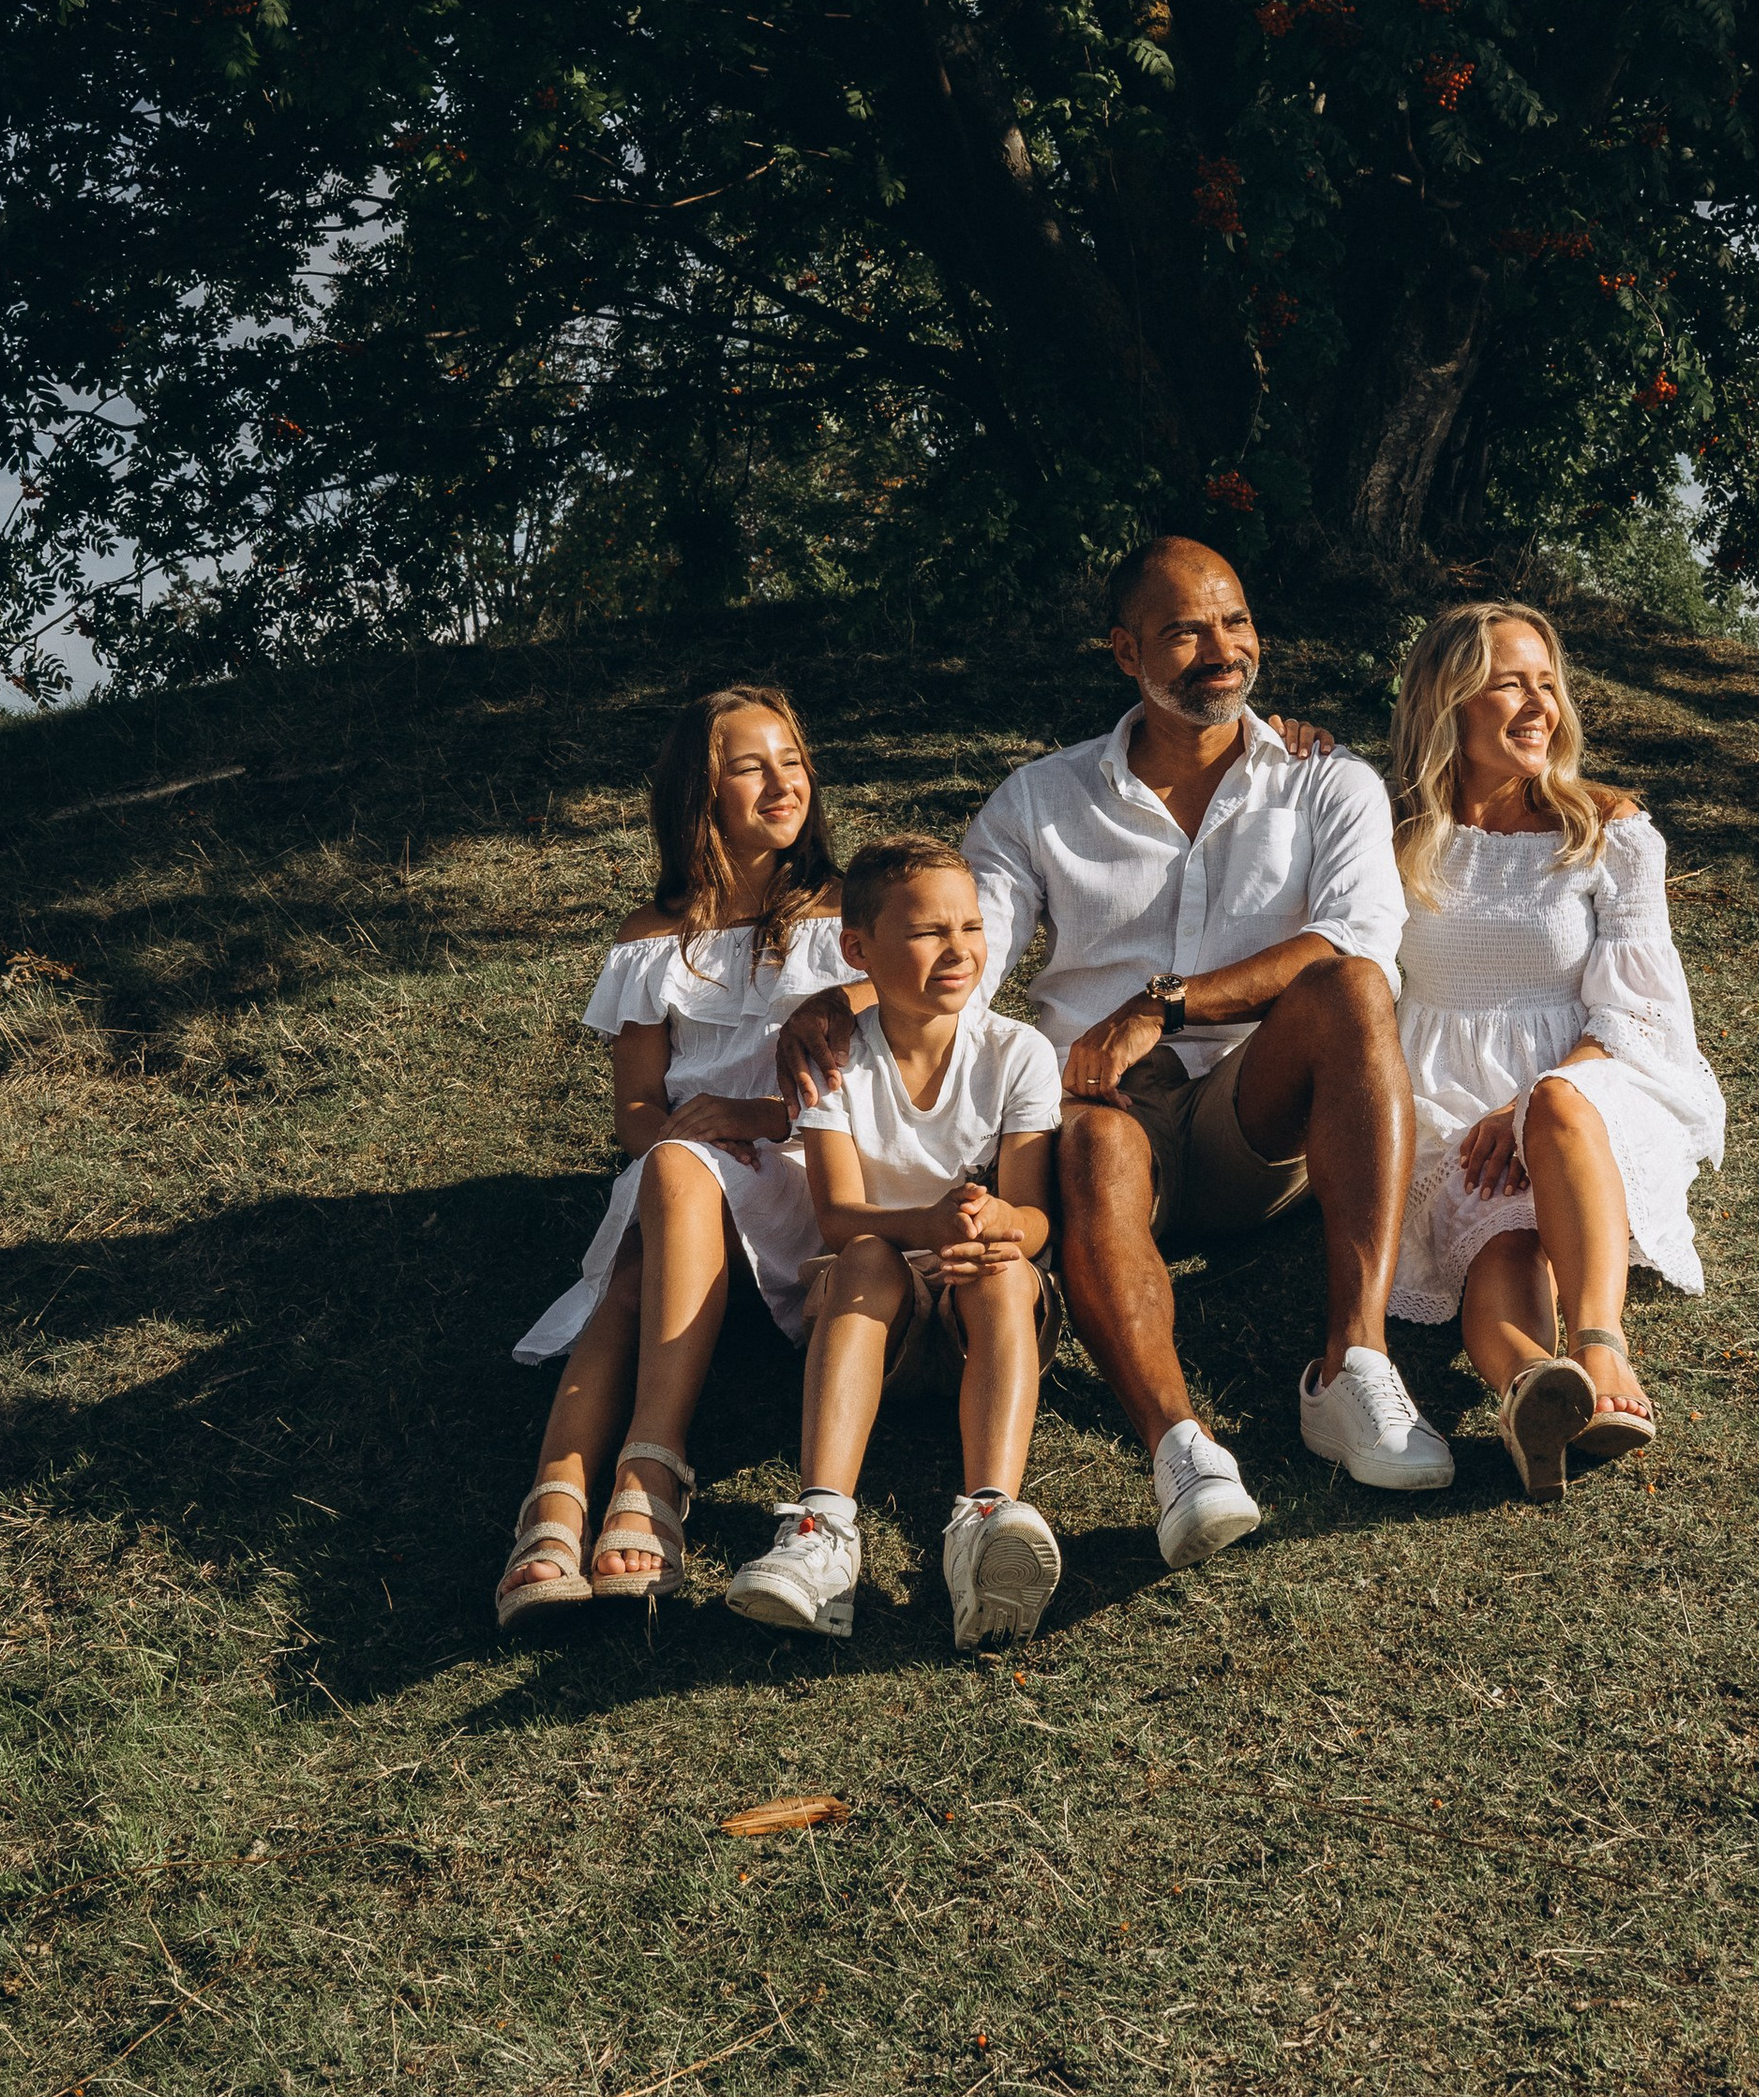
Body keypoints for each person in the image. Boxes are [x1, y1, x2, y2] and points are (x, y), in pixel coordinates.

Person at [781, 536, 1450, 1573]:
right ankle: (1181, 1450)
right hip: (1096, 1117)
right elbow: (973, 942)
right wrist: (841, 998)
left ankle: (1351, 1368)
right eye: (1184, 630)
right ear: (1123, 651)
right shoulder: (1040, 800)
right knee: (1088, 1131)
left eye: (1234, 622)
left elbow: (1354, 936)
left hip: (1251, 1113)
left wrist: (1165, 1005)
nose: (1219, 650)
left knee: (1355, 989)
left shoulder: (1326, 782)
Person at [495, 687, 854, 1621]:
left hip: (809, 1164)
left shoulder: (849, 916)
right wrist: (687, 1139)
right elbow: (638, 1111)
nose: (784, 783)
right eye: (751, 767)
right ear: (700, 793)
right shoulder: (651, 939)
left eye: (793, 760)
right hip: (684, 1168)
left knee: (644, 1244)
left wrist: (753, 1114)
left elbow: (882, 1086)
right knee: (657, 1200)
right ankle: (593, 1496)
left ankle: (618, 1478)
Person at [1384, 600, 1726, 1502]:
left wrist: (1530, 1096)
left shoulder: (1609, 835)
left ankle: (1600, 1345)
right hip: (1447, 1097)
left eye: (1548, 684)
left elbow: (1639, 1014)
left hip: (1593, 1073)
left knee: (1557, 1110)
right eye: (1509, 685)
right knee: (1502, 1248)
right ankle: (1531, 1385)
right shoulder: (1395, 838)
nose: (1540, 706)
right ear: (1448, 703)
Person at [727, 838, 1064, 1649]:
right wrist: (929, 1223)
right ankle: (823, 1530)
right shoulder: (833, 1062)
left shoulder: (1018, 1052)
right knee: (867, 1255)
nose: (959, 951)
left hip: (986, 1322)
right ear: (858, 950)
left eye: (972, 926)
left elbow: (1039, 1216)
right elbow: (840, 1216)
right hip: (878, 1316)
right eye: (926, 933)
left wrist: (992, 1225)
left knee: (1002, 1264)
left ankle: (988, 1514)